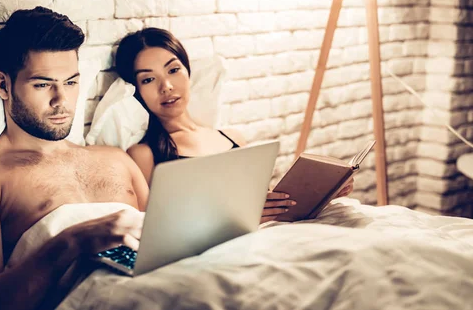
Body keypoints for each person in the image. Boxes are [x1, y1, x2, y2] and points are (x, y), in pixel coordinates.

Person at [0, 7, 148, 310]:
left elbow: (167, 243)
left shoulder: (118, 160)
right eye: (43, 84)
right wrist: (71, 242)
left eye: (71, 82)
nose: (61, 100)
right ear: (3, 86)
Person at [115, 28, 354, 223]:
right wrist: (237, 217)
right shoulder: (144, 154)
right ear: (135, 91)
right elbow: (152, 227)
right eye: (148, 79)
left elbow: (268, 206)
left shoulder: (234, 139)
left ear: (188, 72)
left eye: (174, 69)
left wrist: (320, 195)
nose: (166, 85)